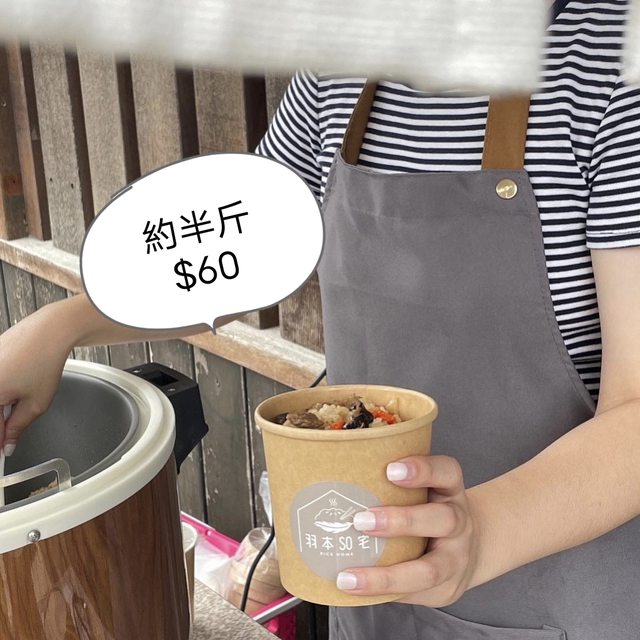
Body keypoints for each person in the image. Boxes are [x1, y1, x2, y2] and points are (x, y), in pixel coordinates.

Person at [1, 0, 639, 638]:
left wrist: (481, 533)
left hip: (556, 588)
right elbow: (238, 256)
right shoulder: (338, 70)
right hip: (364, 578)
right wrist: (59, 328)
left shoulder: (612, 64)